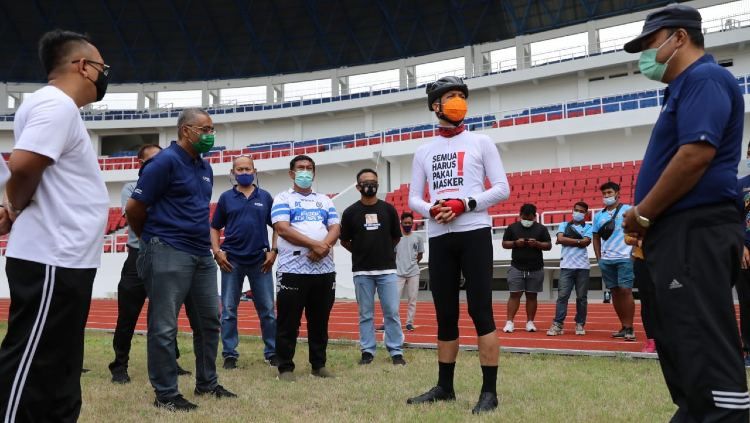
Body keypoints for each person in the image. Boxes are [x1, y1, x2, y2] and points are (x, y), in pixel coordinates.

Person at [622, 4, 749, 420]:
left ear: (679, 37)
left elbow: (695, 154)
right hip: (676, 233)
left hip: (695, 231)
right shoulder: (681, 88)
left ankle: (724, 415)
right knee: (679, 339)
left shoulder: (705, 78)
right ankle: (696, 412)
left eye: (649, 43)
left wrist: (642, 214)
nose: (645, 54)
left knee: (702, 340)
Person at [0, 30, 109, 422]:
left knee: (59, 365)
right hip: (52, 256)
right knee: (32, 363)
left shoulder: (60, 109)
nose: (104, 75)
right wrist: (13, 204)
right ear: (82, 66)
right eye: (101, 67)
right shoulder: (56, 104)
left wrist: (13, 206)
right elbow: (25, 165)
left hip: (66, 258)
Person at [406, 76, 510, 414]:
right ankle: (444, 387)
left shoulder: (481, 141)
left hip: (474, 232)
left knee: (481, 311)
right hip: (439, 237)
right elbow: (413, 199)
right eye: (450, 96)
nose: (458, 101)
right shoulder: (424, 151)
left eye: (461, 96)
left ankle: (489, 392)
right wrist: (432, 209)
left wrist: (464, 204)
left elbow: (502, 188)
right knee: (444, 314)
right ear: (435, 105)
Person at [126, 108, 236, 412]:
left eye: (212, 129)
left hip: (200, 252)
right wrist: (152, 240)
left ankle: (207, 382)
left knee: (209, 322)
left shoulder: (205, 168)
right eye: (205, 129)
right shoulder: (163, 162)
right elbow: (134, 209)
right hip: (167, 249)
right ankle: (166, 393)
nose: (210, 135)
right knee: (164, 326)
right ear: (185, 130)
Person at [108, 144, 191, 383]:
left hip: (166, 255)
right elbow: (142, 213)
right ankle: (119, 366)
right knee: (127, 315)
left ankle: (170, 362)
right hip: (138, 255)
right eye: (151, 160)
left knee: (166, 314)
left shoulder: (171, 187)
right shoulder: (130, 188)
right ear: (140, 164)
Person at [271, 155, 340, 381]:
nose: (305, 171)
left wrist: (325, 245)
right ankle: (285, 367)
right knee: (288, 321)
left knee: (320, 321)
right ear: (291, 173)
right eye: (300, 168)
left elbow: (335, 226)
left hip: (324, 270)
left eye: (309, 168)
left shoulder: (325, 200)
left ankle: (318, 365)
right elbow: (282, 229)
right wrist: (316, 245)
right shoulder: (282, 198)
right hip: (292, 270)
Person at [211, 155, 278, 370]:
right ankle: (230, 354)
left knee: (267, 310)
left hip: (261, 261)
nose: (244, 172)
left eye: (247, 168)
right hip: (232, 260)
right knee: (229, 310)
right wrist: (217, 251)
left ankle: (272, 352)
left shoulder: (265, 197)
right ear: (233, 173)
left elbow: (277, 225)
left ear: (254, 170)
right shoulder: (225, 198)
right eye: (239, 169)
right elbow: (214, 227)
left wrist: (273, 251)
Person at [340, 168, 405, 366]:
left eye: (374, 181)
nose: (370, 185)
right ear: (358, 186)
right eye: (366, 182)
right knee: (365, 314)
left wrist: (382, 251)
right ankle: (367, 351)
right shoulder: (350, 212)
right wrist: (361, 252)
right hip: (362, 271)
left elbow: (396, 237)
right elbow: (344, 240)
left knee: (391, 312)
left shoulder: (388, 209)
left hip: (387, 271)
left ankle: (396, 351)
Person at [592, 182, 635, 341]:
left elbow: (637, 231)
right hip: (606, 260)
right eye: (604, 194)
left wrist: (633, 254)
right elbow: (595, 237)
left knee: (626, 291)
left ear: (618, 193)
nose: (606, 196)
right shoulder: (598, 215)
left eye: (609, 192)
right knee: (615, 293)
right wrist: (599, 258)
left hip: (625, 258)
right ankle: (623, 326)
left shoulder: (629, 210)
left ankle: (630, 327)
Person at [501, 204, 552, 333]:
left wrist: (537, 244)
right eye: (525, 218)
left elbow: (548, 245)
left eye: (530, 219)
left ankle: (530, 322)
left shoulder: (541, 229)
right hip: (516, 267)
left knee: (532, 296)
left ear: (535, 216)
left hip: (536, 267)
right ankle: (509, 322)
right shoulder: (512, 227)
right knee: (514, 294)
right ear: (520, 215)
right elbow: (504, 243)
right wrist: (515, 243)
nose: (527, 221)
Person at [547, 202, 592, 336]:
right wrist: (579, 241)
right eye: (576, 210)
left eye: (581, 211)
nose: (578, 213)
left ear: (586, 213)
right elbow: (560, 238)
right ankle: (558, 324)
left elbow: (586, 242)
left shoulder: (589, 227)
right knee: (562, 296)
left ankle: (580, 323)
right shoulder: (563, 225)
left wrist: (566, 240)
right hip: (566, 266)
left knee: (582, 298)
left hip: (583, 267)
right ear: (572, 210)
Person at [395, 211, 425, 332]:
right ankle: (391, 322)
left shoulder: (418, 237)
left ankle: (409, 322)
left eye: (410, 223)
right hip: (398, 272)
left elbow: (420, 255)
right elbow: (392, 254)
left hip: (413, 272)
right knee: (394, 299)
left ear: (412, 223)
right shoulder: (396, 237)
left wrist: (413, 264)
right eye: (405, 222)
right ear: (401, 223)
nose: (408, 224)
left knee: (412, 299)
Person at [737, 144, 750, 366]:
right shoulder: (740, 186)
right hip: (745, 254)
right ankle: (747, 348)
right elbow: (730, 219)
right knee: (747, 303)